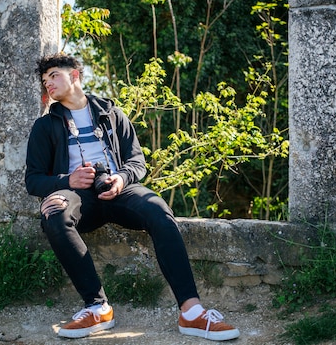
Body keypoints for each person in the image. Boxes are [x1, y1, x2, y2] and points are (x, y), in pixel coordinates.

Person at [25, 53, 240, 341]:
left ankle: (192, 312)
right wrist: (68, 180)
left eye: (54, 75)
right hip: (76, 196)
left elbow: (137, 162)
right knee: (54, 212)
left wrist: (121, 178)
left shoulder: (112, 114)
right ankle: (97, 307)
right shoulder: (45, 125)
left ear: (74, 75)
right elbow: (33, 180)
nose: (48, 84)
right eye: (44, 80)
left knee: (158, 210)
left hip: (119, 189)